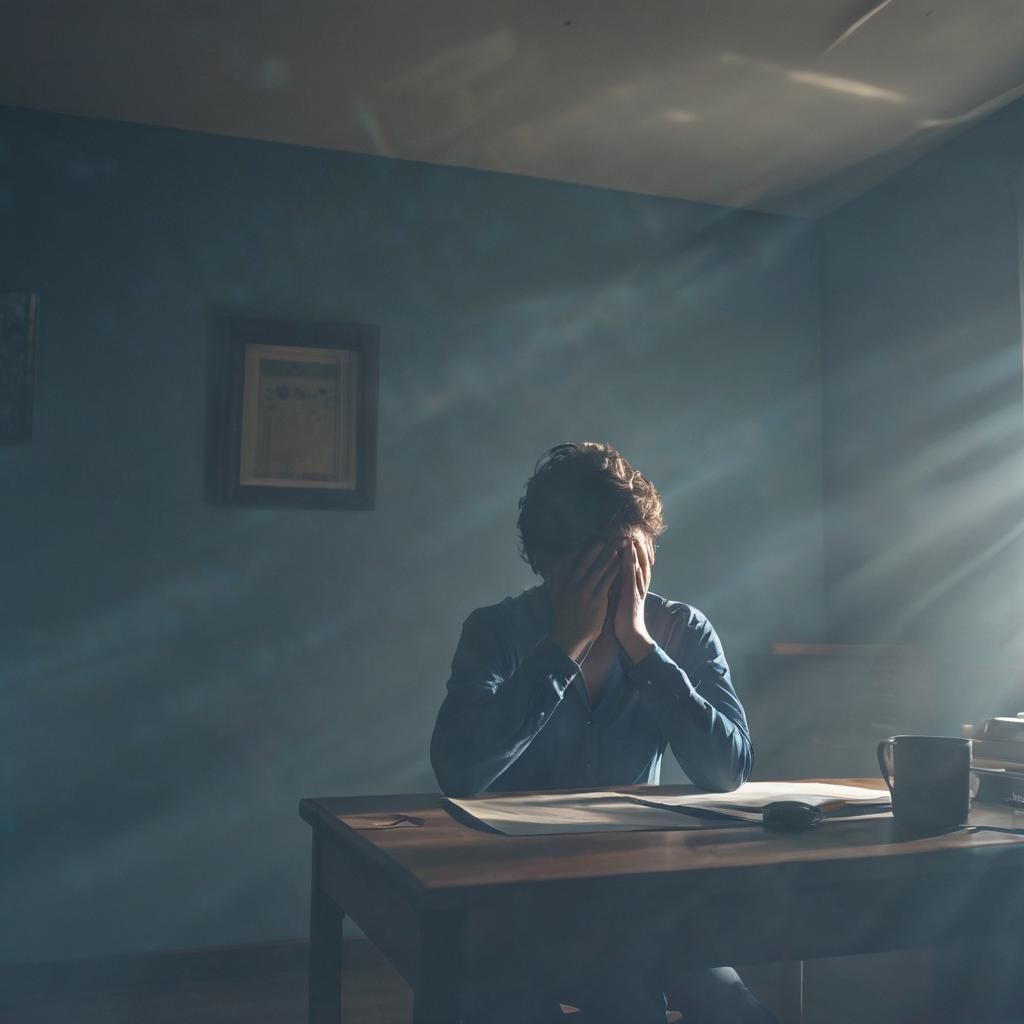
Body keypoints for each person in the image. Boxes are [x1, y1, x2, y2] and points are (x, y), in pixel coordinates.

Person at [430, 442, 779, 1024]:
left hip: (647, 898)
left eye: (630, 557)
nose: (616, 577)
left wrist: (642, 647)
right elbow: (458, 769)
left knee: (731, 1008)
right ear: (546, 559)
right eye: (596, 562)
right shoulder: (497, 632)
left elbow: (728, 769)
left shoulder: (680, 629)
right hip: (521, 903)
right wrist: (565, 644)